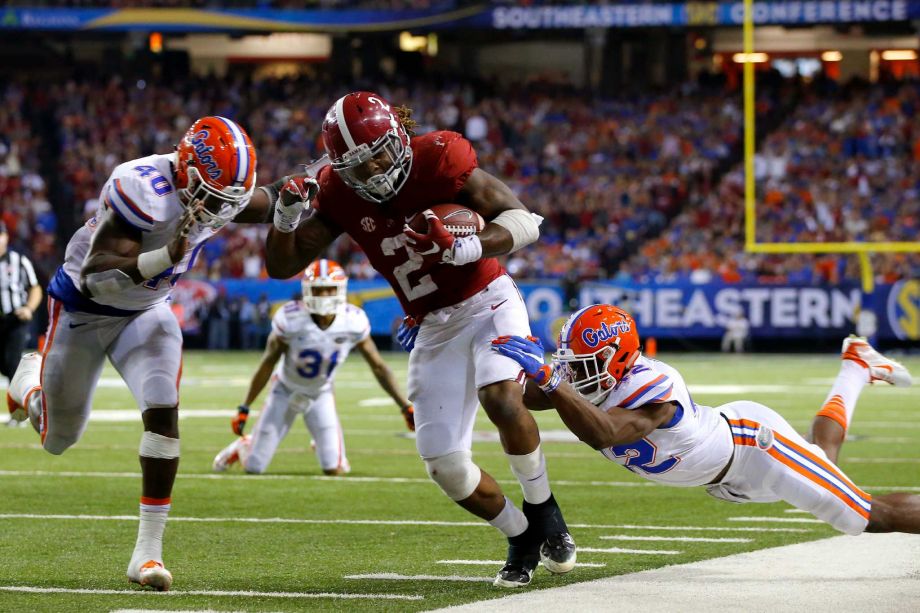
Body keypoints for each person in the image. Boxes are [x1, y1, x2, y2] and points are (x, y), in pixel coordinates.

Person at [262, 91, 575, 588]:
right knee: (445, 464)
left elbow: (523, 221)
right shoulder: (340, 191)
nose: (374, 170)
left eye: (380, 152)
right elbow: (282, 266)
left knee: (500, 394)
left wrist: (467, 246)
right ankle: (520, 534)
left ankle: (544, 509)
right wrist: (283, 216)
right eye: (357, 165)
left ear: (399, 136)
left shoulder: (439, 158)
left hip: (488, 297)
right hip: (432, 323)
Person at [6, 116, 258, 591]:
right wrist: (167, 255)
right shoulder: (141, 186)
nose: (217, 211)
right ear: (185, 170)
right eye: (212, 197)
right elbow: (98, 273)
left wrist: (301, 195)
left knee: (164, 413)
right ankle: (28, 385)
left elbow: (261, 202)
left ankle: (147, 555)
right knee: (59, 438)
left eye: (227, 201)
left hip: (147, 312)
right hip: (83, 309)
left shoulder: (215, 193)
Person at [492, 305, 920, 536]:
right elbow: (522, 398)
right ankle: (856, 366)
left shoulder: (655, 384)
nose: (576, 374)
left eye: (586, 365)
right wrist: (484, 383)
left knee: (864, 515)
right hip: (725, 481)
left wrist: (549, 378)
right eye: (572, 366)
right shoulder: (586, 378)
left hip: (756, 447)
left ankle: (856, 366)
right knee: (824, 459)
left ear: (617, 357)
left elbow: (604, 432)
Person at [212, 259, 414, 475]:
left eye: (329, 290)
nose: (324, 296)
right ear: (307, 292)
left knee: (333, 469)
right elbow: (267, 363)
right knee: (254, 468)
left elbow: (379, 367)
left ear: (341, 290)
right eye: (318, 290)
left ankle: (325, 444)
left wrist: (404, 405)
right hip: (284, 391)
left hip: (320, 394)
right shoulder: (290, 318)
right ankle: (245, 445)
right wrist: (245, 406)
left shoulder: (353, 321)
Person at [0, 221, 42, 394]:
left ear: (6, 237)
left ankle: (19, 409)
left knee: (12, 363)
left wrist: (29, 309)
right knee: (4, 364)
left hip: (15, 318)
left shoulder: (18, 260)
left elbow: (35, 288)